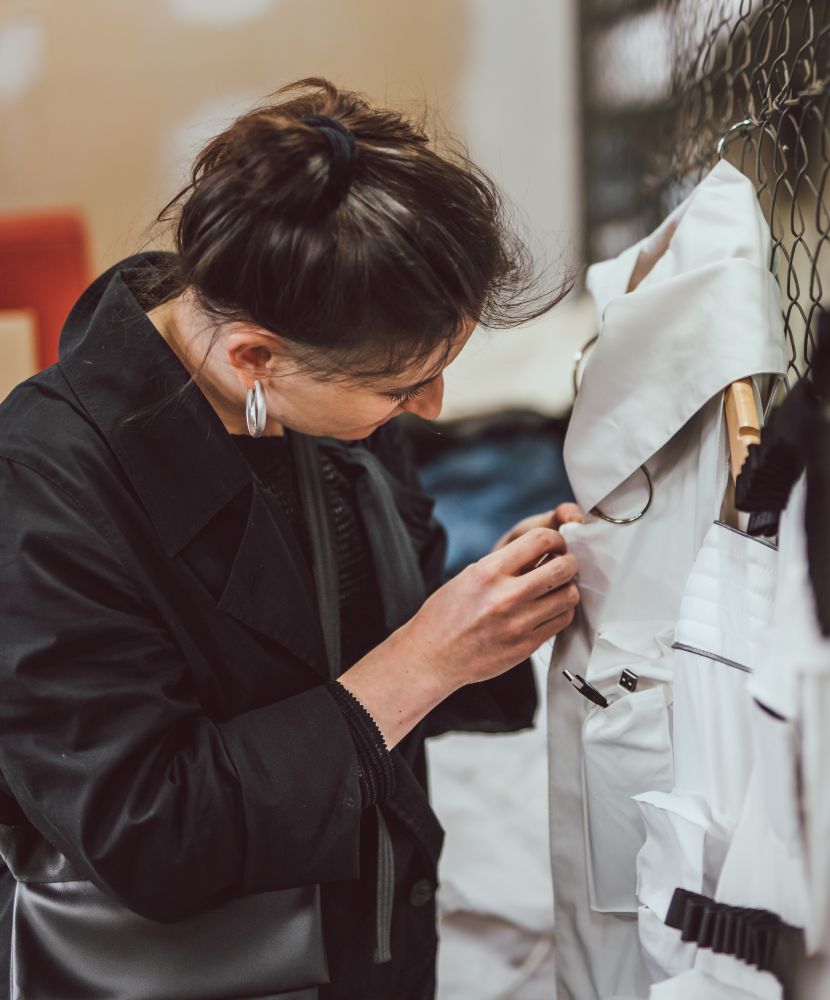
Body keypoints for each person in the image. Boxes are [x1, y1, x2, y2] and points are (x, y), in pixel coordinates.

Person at [0, 77, 583, 999]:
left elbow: (355, 653)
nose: (432, 408)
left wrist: (499, 609)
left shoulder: (318, 387)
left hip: (373, 941)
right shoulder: (42, 490)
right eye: (403, 386)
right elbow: (150, 832)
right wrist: (428, 658)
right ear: (255, 357)